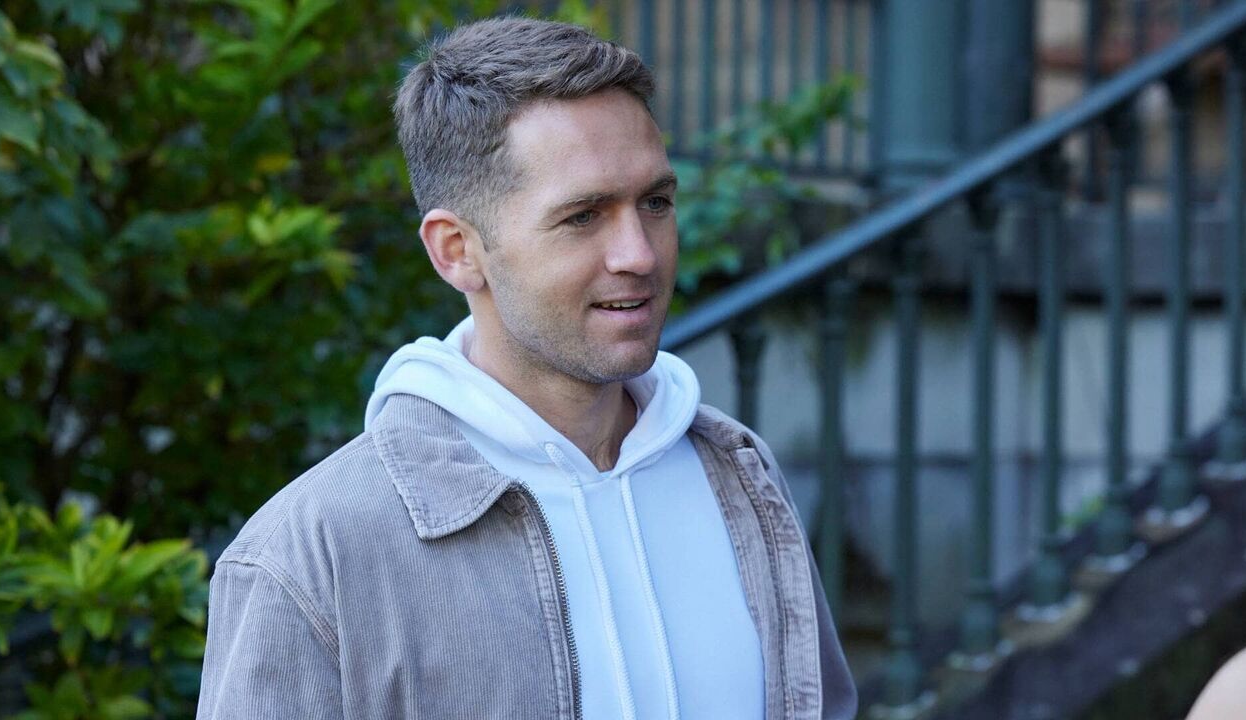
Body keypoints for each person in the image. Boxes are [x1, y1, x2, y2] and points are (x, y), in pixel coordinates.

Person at [196, 16, 855, 720]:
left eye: (656, 203)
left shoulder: (740, 477)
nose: (639, 253)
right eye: (583, 216)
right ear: (456, 251)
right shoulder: (311, 552)